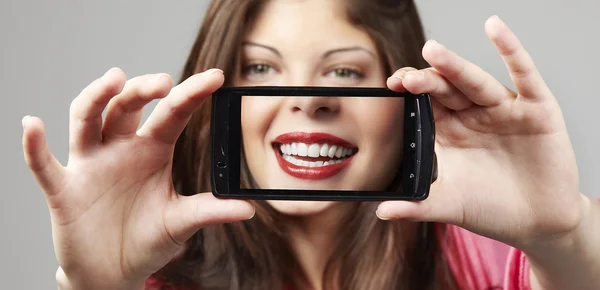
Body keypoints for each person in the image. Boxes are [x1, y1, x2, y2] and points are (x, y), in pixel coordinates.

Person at [21, 0, 600, 289]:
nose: (308, 101)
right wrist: (90, 289)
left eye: (345, 72)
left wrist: (566, 234)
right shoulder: (147, 275)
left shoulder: (489, 258)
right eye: (262, 68)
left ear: (403, 103)